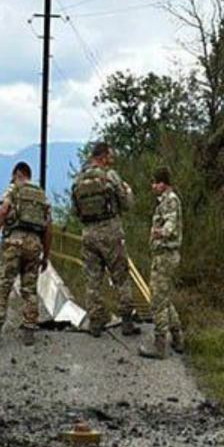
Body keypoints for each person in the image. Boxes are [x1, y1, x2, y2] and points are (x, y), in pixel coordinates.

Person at [69, 141, 136, 338]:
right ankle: (127, 321)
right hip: (111, 232)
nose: (112, 159)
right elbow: (126, 204)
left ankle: (95, 323)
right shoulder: (110, 176)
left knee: (92, 279)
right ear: (103, 156)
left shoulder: (78, 179)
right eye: (110, 156)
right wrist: (129, 191)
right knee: (120, 276)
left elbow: (75, 211)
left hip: (88, 234)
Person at [0, 161, 51, 347]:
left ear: (17, 174)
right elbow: (48, 228)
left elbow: (3, 210)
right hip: (34, 244)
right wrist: (46, 255)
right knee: (29, 288)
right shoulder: (41, 196)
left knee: (4, 284)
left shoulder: (14, 189)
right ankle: (29, 329)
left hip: (14, 242)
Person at [140, 166, 184, 359]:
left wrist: (159, 232)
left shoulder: (170, 201)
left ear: (163, 184)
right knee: (164, 298)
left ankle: (160, 346)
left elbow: (170, 226)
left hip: (165, 256)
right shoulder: (166, 201)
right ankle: (177, 337)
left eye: (156, 182)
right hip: (164, 255)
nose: (153, 186)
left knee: (157, 299)